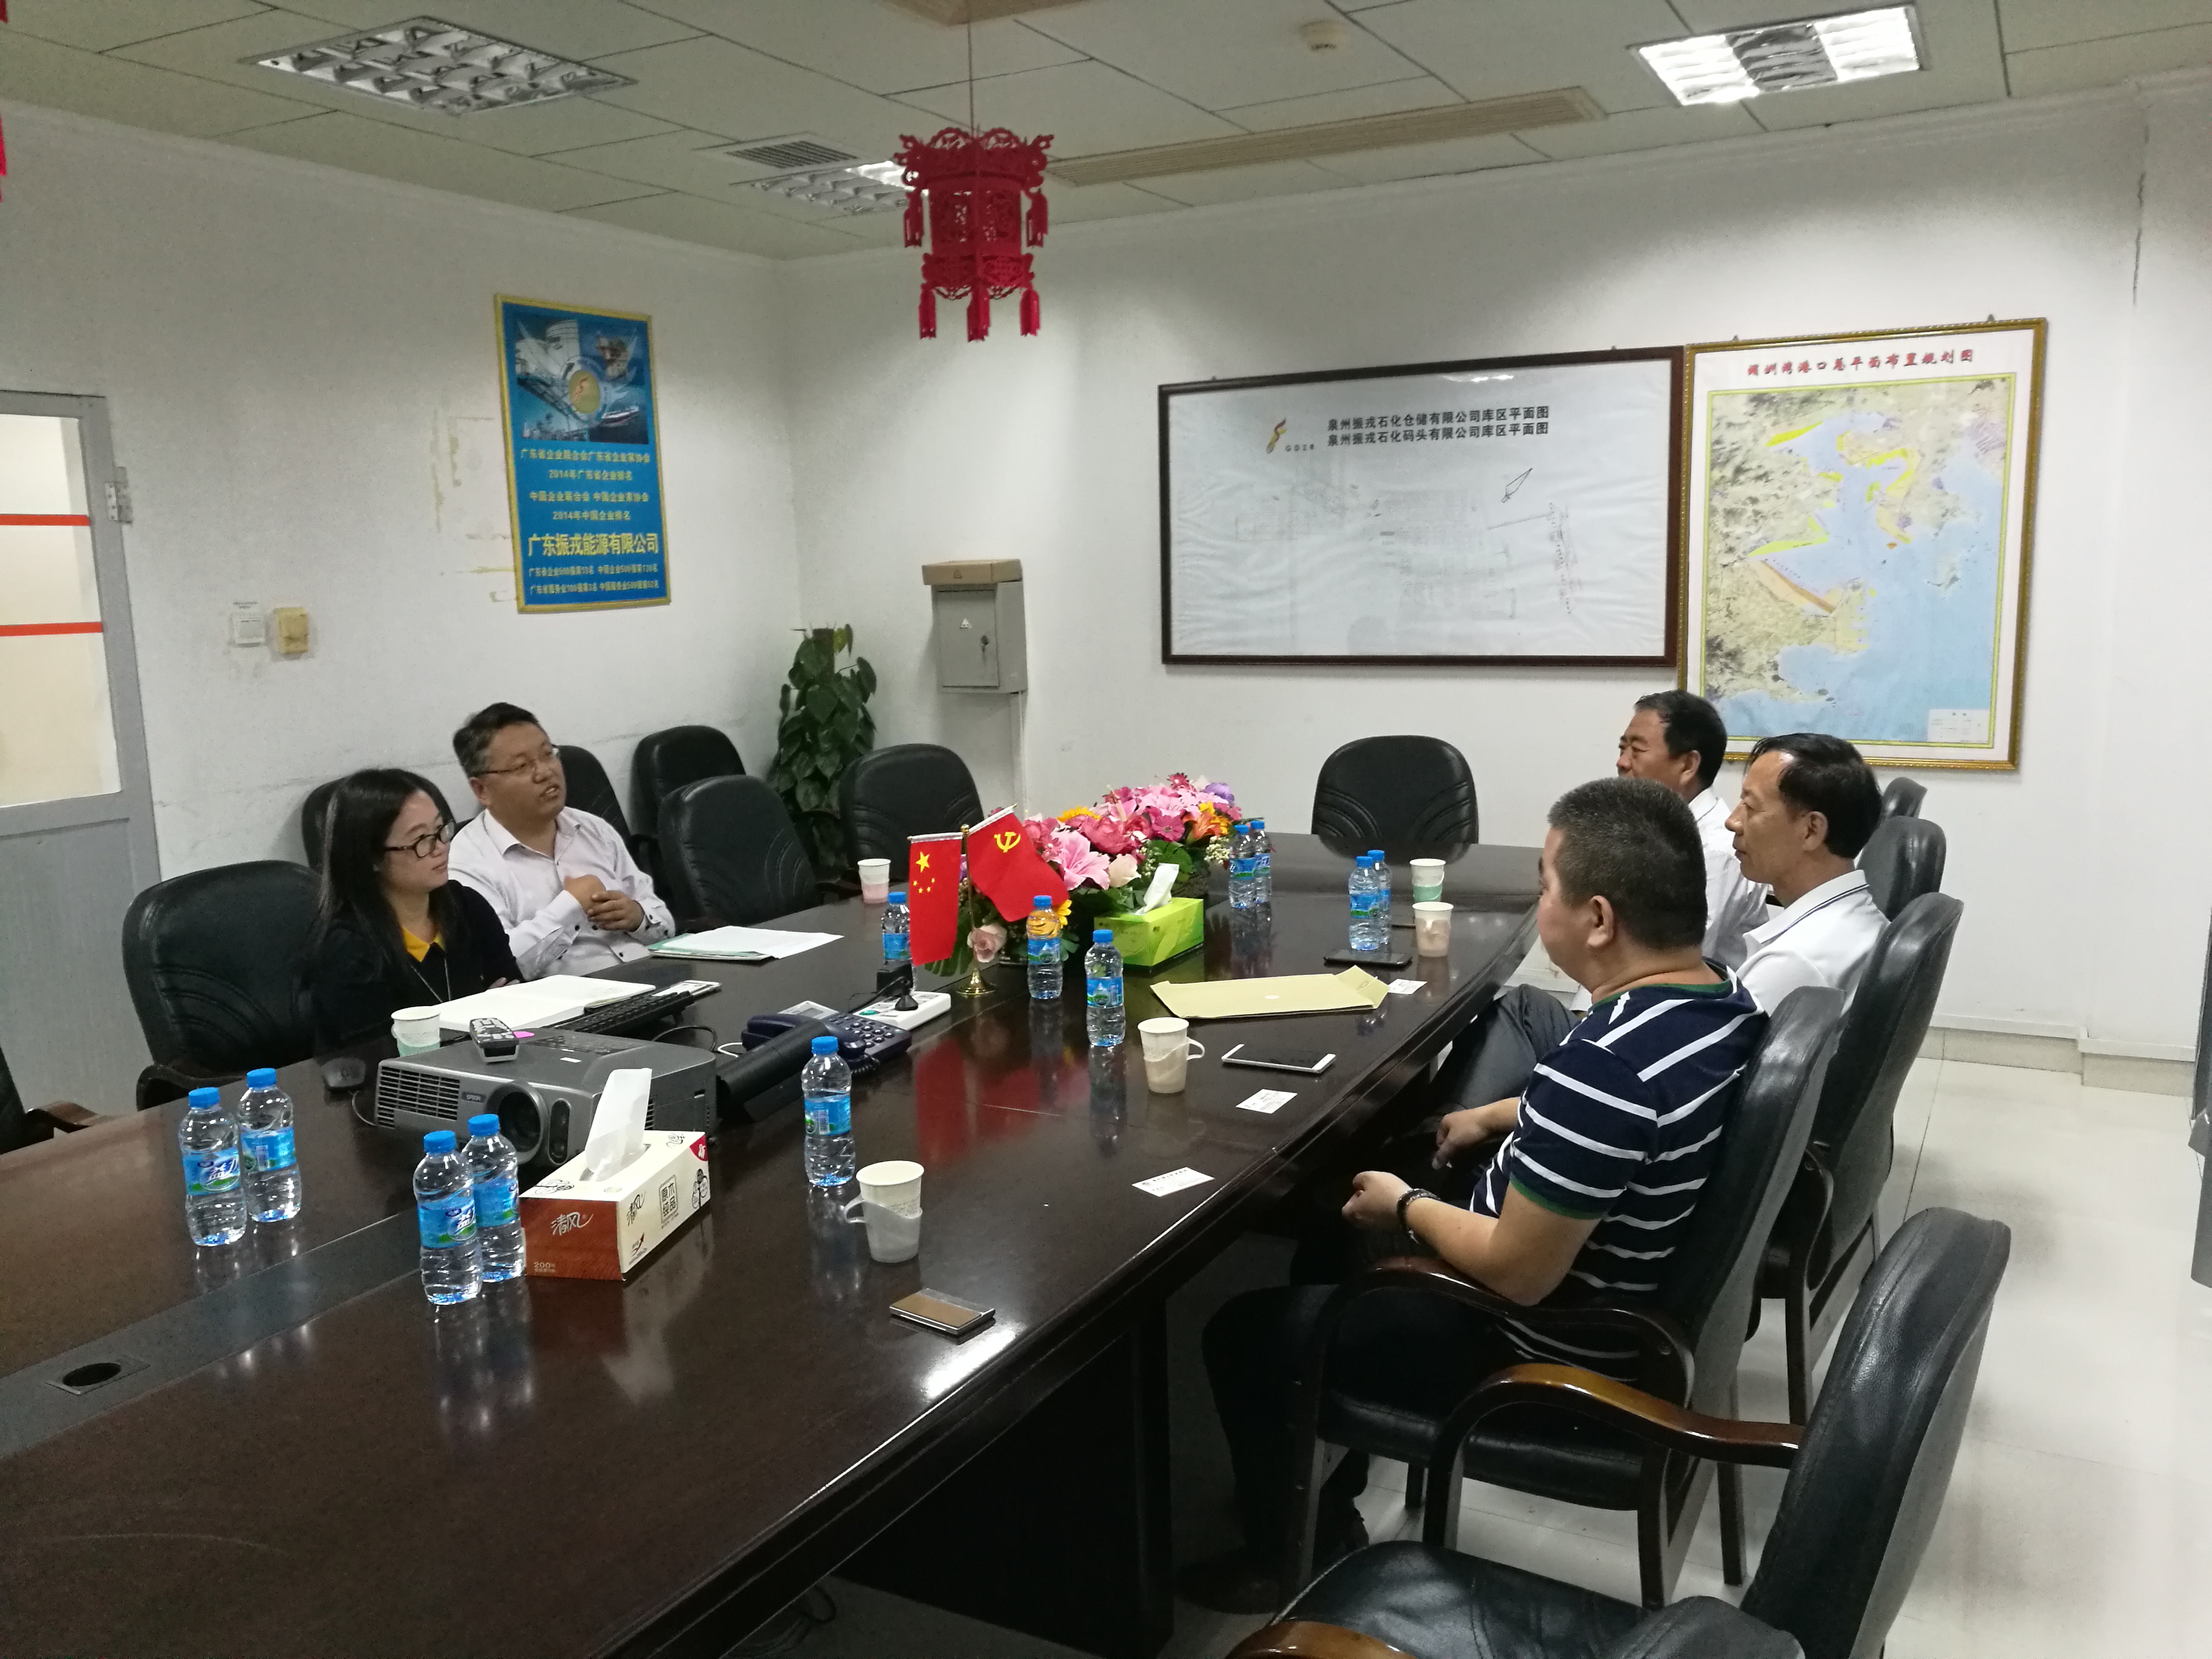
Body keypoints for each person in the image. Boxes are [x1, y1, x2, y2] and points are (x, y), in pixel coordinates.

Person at [1181, 778, 1768, 1614]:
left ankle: (1289, 1557)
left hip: (1533, 1355)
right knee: (1328, 1235)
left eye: (1545, 886)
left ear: (1599, 919)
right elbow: (1618, 1123)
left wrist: (1405, 1207)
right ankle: (1317, 1475)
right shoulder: (1715, 998)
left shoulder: (1603, 1069)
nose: (1540, 902)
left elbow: (1519, 1274)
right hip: (1626, 1307)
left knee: (1242, 1332)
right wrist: (1501, 1115)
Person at [445, 702, 673, 978]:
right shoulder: (467, 863)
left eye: (547, 754)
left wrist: (637, 917)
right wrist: (571, 906)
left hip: (652, 978)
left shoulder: (594, 829)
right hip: (573, 1001)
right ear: (481, 789)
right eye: (522, 766)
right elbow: (500, 967)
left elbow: (665, 922)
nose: (545, 772)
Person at [305, 769, 519, 1050]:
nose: (441, 847)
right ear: (371, 857)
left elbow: (516, 1000)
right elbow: (382, 1055)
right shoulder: (347, 949)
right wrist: (479, 1020)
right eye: (421, 840)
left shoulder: (468, 906)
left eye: (441, 829)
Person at [1725, 732, 1886, 1011]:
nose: (1733, 822)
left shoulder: (1791, 963)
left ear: (1811, 830)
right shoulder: (1856, 914)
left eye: (1750, 806)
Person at [1616, 689, 1768, 969]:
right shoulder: (1653, 828)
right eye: (1622, 749)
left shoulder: (1716, 851)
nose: (1622, 762)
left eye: (1636, 751)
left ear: (1688, 765)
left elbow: (1670, 962)